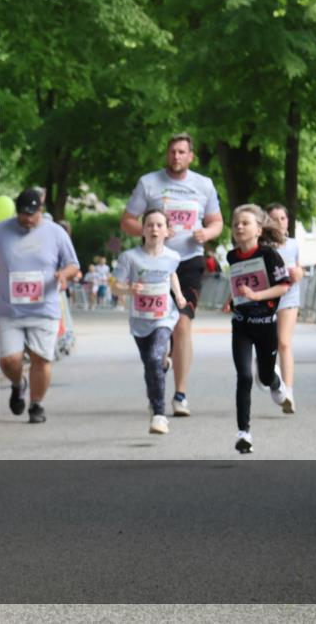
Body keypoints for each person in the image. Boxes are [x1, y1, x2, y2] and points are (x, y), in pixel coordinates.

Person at [121, 132, 224, 417]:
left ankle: (180, 394)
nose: (176, 156)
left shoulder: (203, 185)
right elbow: (128, 220)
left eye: (182, 152)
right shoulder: (149, 183)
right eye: (172, 152)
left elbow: (217, 222)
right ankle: (162, 357)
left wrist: (208, 233)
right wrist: (152, 231)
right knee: (158, 325)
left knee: (182, 324)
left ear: (190, 156)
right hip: (153, 262)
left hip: (188, 262)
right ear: (167, 154)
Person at [0, 188, 80, 423]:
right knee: (9, 360)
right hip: (8, 309)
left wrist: (63, 275)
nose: (27, 219)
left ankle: (36, 404)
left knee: (41, 359)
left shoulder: (56, 233)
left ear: (40, 211)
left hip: (44, 309)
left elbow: (73, 264)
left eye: (32, 214)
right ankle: (17, 383)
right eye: (23, 214)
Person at [223, 205, 292, 454]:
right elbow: (238, 286)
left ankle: (275, 381)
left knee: (263, 376)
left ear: (258, 229)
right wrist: (232, 300)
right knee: (244, 377)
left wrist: (257, 295)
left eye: (245, 223)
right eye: (235, 224)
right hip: (241, 325)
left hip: (265, 326)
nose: (239, 227)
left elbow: (283, 287)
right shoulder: (232, 257)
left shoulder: (269, 256)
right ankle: (244, 433)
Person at [112, 209, 187, 434]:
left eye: (159, 225)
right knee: (151, 364)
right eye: (150, 225)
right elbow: (116, 286)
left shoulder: (173, 256)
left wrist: (179, 295)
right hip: (139, 320)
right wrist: (128, 288)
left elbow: (171, 274)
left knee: (154, 357)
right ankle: (163, 368)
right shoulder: (130, 257)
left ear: (167, 230)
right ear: (143, 230)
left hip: (164, 317)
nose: (154, 229)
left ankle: (159, 414)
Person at [266, 203, 302, 414]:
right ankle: (270, 375)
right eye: (274, 218)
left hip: (289, 297)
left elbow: (299, 268)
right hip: (266, 298)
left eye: (283, 218)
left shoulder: (294, 244)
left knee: (284, 343)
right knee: (267, 344)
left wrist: (299, 273)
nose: (280, 222)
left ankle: (288, 392)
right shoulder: (262, 246)